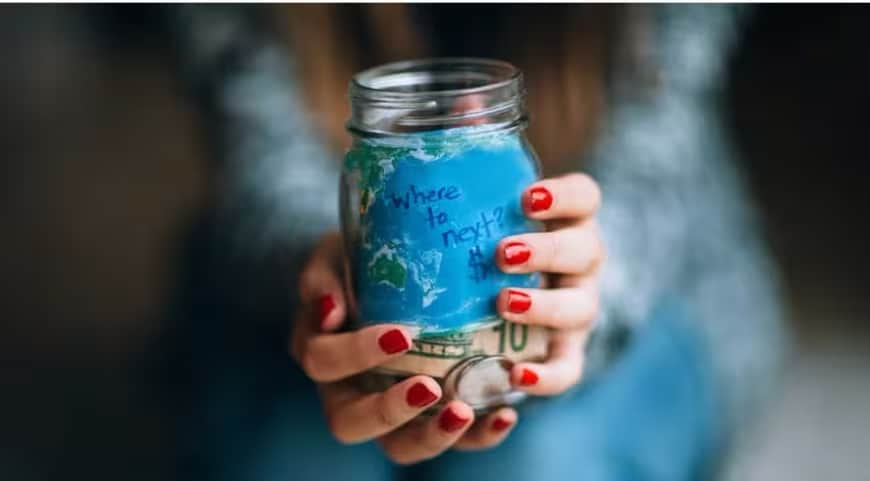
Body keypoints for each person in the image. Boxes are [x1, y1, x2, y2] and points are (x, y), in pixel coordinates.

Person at [158, 4, 787, 480]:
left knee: (543, 463)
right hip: (284, 315)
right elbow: (256, 159)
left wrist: (591, 282)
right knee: (297, 461)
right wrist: (317, 270)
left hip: (658, 290)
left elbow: (660, 151)